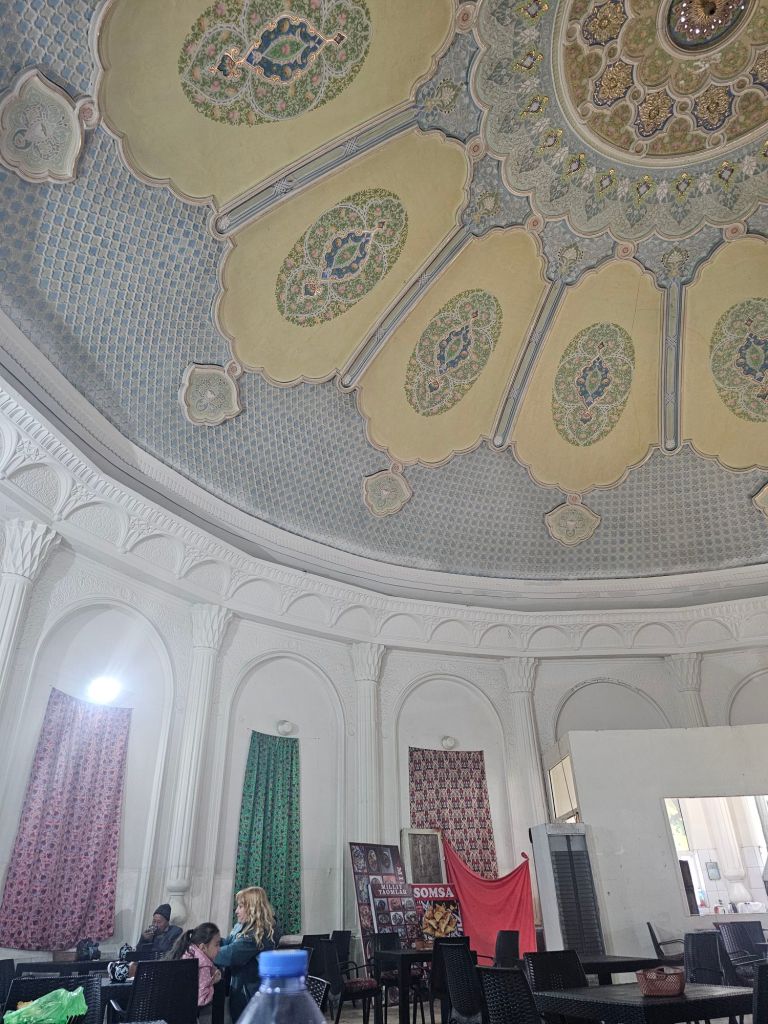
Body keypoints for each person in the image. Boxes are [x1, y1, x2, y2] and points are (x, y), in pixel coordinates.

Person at [215, 886, 281, 1022]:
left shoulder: (259, 933)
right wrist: (210, 939)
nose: (236, 911)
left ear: (253, 908)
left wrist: (205, 950)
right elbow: (228, 943)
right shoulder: (243, 927)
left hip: (251, 996)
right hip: (243, 990)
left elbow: (231, 955)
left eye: (240, 907)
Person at [166, 922, 222, 1022]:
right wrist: (213, 982)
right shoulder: (203, 965)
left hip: (169, 1010)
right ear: (203, 947)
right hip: (185, 1016)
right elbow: (202, 999)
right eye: (217, 945)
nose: (219, 949)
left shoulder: (188, 952)